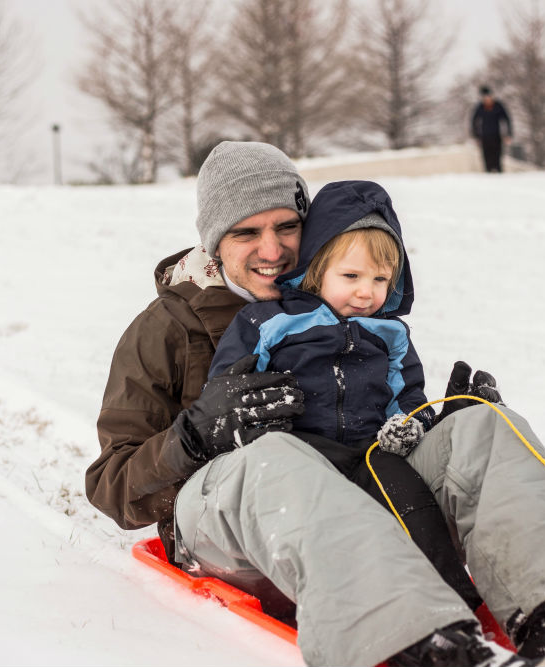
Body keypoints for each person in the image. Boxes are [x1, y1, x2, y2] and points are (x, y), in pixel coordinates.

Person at [86, 140, 545, 667]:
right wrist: (192, 437)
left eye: (286, 227)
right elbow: (111, 487)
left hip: (357, 507)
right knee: (276, 459)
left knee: (479, 430)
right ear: (216, 242)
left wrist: (437, 424)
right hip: (229, 527)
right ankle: (433, 649)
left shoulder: (345, 303)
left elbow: (389, 426)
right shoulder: (168, 327)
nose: (272, 249)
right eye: (246, 232)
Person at [207, 179, 492, 612]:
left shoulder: (390, 333)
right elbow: (227, 389)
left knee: (408, 497)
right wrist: (249, 423)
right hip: (298, 452)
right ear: (318, 268)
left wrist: (415, 425)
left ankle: (452, 598)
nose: (367, 292)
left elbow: (406, 395)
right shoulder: (269, 321)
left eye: (381, 279)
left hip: (367, 454)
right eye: (352, 276)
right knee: (325, 518)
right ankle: (314, 604)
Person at [471, 86, 513, 173]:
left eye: (488, 97)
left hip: (496, 136)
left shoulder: (498, 106)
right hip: (484, 136)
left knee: (497, 157)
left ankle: (499, 174)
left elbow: (506, 119)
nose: (487, 99)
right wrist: (476, 136)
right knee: (487, 158)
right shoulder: (480, 107)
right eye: (485, 97)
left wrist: (508, 134)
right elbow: (474, 121)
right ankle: (489, 175)